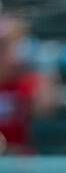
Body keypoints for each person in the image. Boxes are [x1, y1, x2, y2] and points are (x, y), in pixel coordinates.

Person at [0, 16, 56, 154]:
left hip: (21, 165)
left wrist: (45, 67)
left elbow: (45, 109)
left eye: (7, 45)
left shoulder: (27, 82)